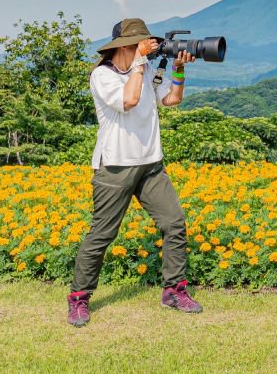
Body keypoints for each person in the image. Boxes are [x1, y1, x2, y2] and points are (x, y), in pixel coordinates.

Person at [67, 18, 202, 327]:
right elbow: (128, 101)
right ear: (122, 47)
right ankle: (78, 298)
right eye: (138, 45)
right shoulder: (103, 75)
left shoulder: (145, 69)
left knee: (174, 223)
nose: (145, 49)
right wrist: (140, 64)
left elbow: (172, 100)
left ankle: (174, 290)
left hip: (150, 163)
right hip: (115, 164)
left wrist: (179, 69)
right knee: (103, 234)